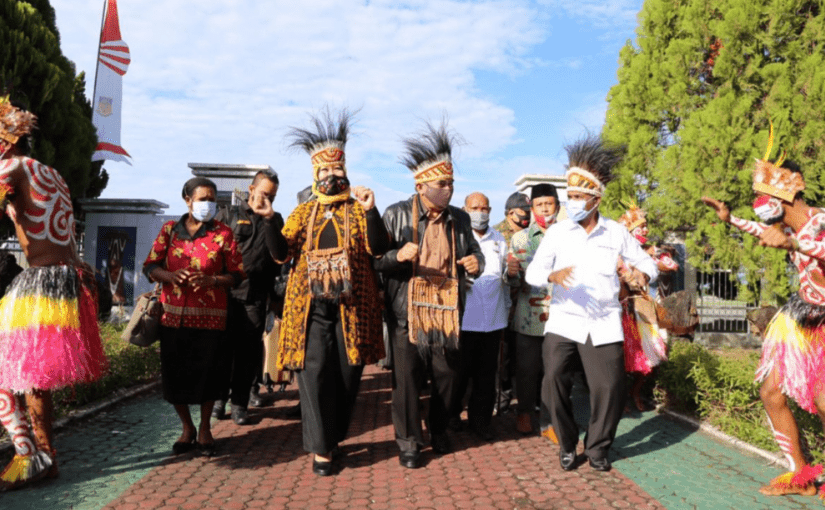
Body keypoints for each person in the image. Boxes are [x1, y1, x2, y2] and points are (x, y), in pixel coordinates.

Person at [702, 129, 825, 498]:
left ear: (785, 193)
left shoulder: (819, 221)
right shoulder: (787, 225)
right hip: (802, 316)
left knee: (822, 398)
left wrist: (793, 243)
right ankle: (800, 476)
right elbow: (761, 229)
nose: (759, 203)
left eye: (762, 196)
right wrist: (730, 219)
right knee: (771, 392)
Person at [525, 134, 656, 473]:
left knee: (610, 388)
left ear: (596, 198)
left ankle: (597, 447)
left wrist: (638, 275)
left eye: (579, 196)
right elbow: (533, 273)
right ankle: (567, 443)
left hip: (603, 322)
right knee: (552, 380)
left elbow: (649, 265)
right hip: (564, 321)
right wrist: (551, 276)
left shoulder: (615, 233)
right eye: (570, 196)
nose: (572, 202)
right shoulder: (557, 233)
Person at [272, 108, 389, 476]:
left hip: (351, 307)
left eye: (337, 170)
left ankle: (333, 437)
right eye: (324, 171)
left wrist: (372, 213)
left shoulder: (358, 208)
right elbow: (281, 252)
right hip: (309, 308)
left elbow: (379, 247)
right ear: (314, 174)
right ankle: (321, 448)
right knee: (314, 372)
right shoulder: (301, 212)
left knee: (346, 374)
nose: (331, 176)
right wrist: (267, 220)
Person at [0, 97, 108, 490]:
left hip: (41, 281)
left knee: (16, 373)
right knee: (32, 376)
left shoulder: (9, 168)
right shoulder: (51, 172)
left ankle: (29, 455)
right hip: (67, 279)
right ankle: (47, 457)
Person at [375, 121, 483, 469]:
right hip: (407, 313)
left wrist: (475, 262)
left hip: (448, 310)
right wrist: (396, 257)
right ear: (420, 185)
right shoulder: (394, 214)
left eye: (451, 183)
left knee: (449, 376)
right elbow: (376, 262)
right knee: (407, 381)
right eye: (443, 183)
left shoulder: (461, 220)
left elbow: (476, 255)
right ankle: (408, 441)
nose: (449, 189)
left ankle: (438, 428)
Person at [144, 177, 245, 458]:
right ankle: (186, 428)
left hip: (212, 319)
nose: (208, 204)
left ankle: (205, 429)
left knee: (209, 377)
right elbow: (150, 266)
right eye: (202, 199)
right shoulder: (169, 231)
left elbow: (237, 274)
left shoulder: (223, 233)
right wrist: (171, 276)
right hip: (173, 318)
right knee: (176, 378)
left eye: (212, 199)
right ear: (187, 200)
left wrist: (213, 281)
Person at [213, 170, 283, 425]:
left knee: (247, 354)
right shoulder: (228, 215)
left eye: (273, 196)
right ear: (251, 190)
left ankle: (240, 403)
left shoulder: (275, 220)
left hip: (255, 297)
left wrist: (276, 297)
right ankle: (219, 400)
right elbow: (212, 252)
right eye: (265, 193)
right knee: (221, 352)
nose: (268, 200)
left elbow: (279, 261)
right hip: (225, 295)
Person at [454, 192, 510, 440]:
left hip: (493, 319)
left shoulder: (499, 239)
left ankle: (481, 422)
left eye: (485, 208)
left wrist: (513, 272)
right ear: (464, 209)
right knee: (459, 374)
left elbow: (506, 276)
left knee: (486, 376)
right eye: (474, 207)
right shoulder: (457, 236)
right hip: (464, 319)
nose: (480, 212)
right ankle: (452, 417)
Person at [509, 184, 559, 439]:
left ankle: (551, 420)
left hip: (561, 318)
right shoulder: (520, 239)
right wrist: (512, 274)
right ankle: (525, 412)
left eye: (549, 204)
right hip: (528, 317)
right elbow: (513, 284)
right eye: (539, 205)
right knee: (527, 370)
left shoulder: (568, 236)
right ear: (532, 208)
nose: (544, 209)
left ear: (558, 206)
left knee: (555, 371)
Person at [617, 203, 676, 412]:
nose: (645, 231)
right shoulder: (618, 254)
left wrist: (661, 262)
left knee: (652, 355)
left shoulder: (650, 252)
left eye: (645, 227)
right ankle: (622, 397)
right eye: (639, 228)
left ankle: (636, 393)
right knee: (624, 358)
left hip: (646, 309)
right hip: (624, 310)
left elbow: (669, 267)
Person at [494, 191, 532, 415]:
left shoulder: (530, 234)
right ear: (510, 213)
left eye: (528, 213)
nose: (526, 217)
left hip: (527, 305)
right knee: (503, 355)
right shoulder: (497, 235)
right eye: (522, 213)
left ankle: (524, 395)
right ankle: (503, 397)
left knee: (523, 353)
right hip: (504, 304)